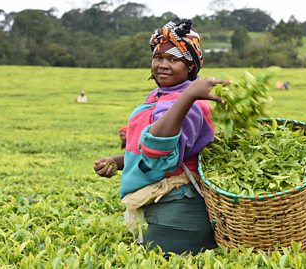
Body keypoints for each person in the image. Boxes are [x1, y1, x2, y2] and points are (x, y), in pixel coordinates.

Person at [93, 18, 230, 254]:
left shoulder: (192, 104)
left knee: (159, 258)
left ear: (191, 67)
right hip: (162, 205)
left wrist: (189, 96)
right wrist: (116, 162)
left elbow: (161, 153)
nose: (163, 64)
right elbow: (144, 147)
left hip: (179, 209)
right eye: (158, 57)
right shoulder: (159, 95)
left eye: (174, 59)